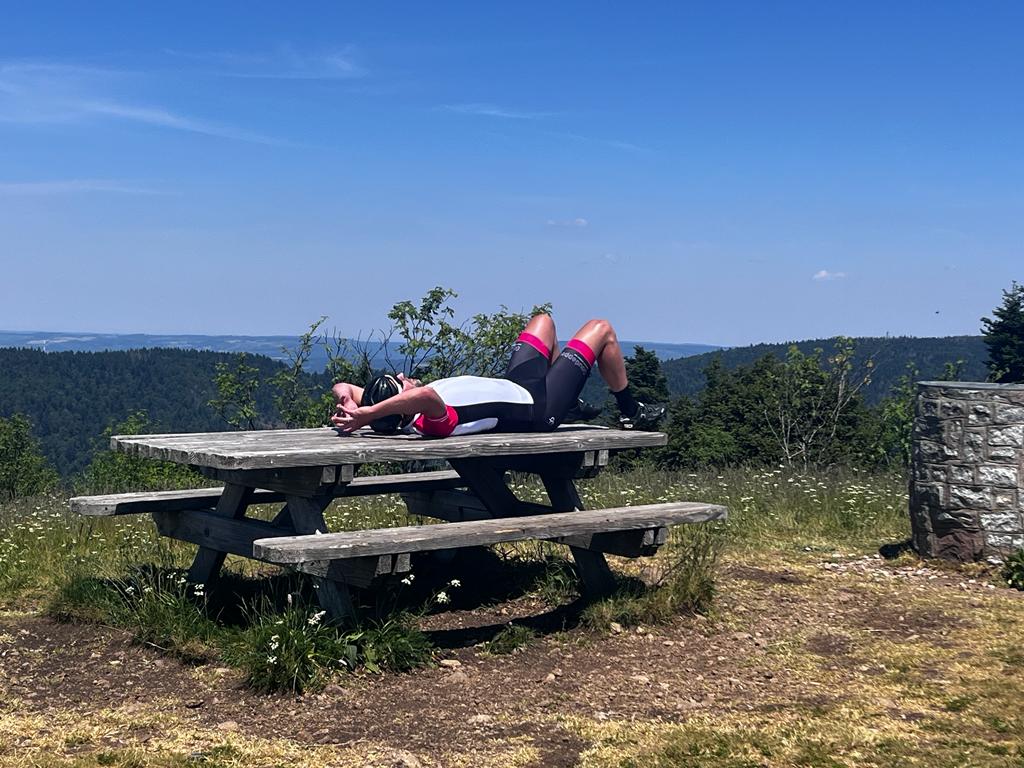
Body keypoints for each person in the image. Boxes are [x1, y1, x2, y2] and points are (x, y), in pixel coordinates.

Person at [330, 313, 666, 437]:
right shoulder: (432, 421)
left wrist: (351, 404)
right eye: (399, 380)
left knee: (543, 320)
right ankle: (630, 411)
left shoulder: (394, 412)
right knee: (601, 329)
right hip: (538, 410)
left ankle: (571, 403)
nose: (404, 375)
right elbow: (425, 396)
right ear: (400, 406)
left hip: (519, 386)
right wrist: (370, 414)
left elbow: (341, 385)